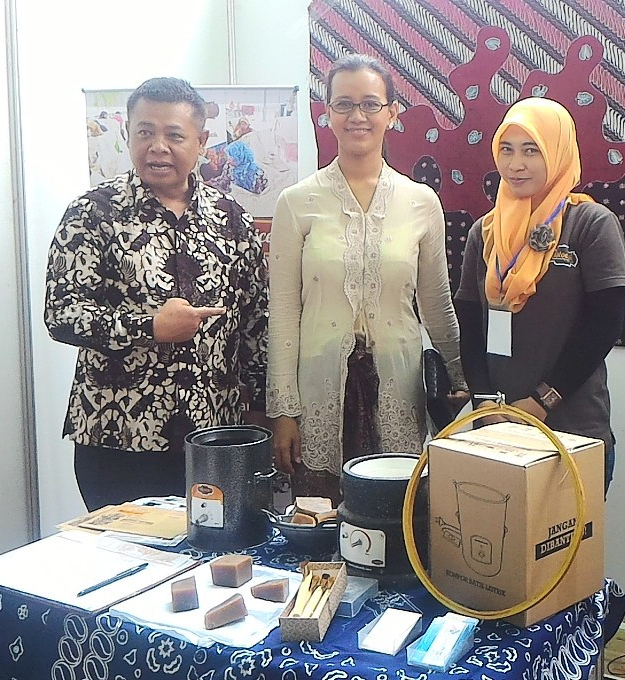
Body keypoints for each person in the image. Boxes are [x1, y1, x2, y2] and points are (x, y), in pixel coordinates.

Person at [45, 77, 269, 511]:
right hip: (118, 437)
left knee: (213, 549)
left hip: (214, 439)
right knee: (125, 552)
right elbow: (62, 314)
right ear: (127, 133)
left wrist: (260, 410)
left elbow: (256, 326)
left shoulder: (231, 219)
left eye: (174, 135)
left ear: (201, 141)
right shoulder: (93, 213)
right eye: (144, 132)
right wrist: (150, 327)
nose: (157, 147)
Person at [267, 54, 468, 503]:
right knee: (321, 518)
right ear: (327, 112)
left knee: (396, 518)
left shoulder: (420, 202)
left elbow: (437, 303)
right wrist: (282, 410)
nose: (357, 115)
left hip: (400, 386)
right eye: (344, 104)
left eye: (370, 104)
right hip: (318, 391)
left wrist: (461, 381)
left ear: (392, 112)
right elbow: (282, 310)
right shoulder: (296, 202)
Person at [454, 97, 625, 494]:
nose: (516, 164)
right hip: (496, 431)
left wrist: (542, 400)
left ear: (557, 152)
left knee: (568, 536)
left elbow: (604, 327)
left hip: (572, 432)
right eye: (507, 149)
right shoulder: (485, 232)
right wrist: (484, 402)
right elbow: (470, 325)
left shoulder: (590, 224)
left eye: (531, 150)